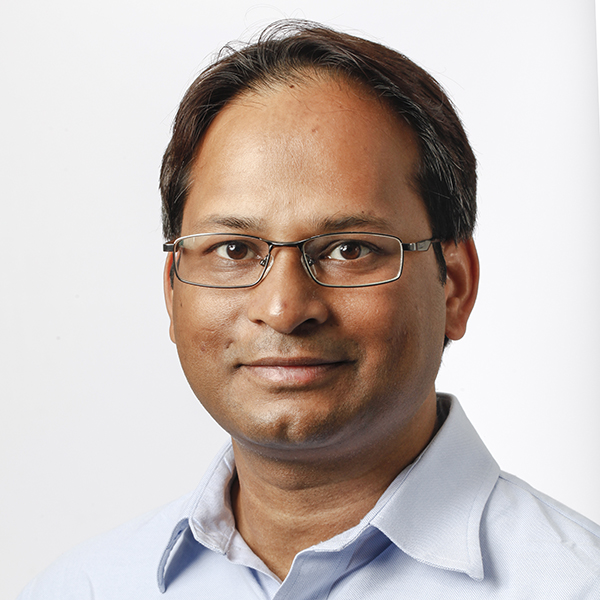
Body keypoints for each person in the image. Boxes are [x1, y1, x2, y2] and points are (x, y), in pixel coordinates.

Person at [18, 20, 600, 599]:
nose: (285, 307)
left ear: (455, 286)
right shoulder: (82, 588)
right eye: (234, 250)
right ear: (172, 293)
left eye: (350, 249)